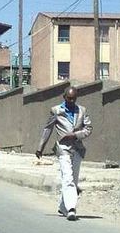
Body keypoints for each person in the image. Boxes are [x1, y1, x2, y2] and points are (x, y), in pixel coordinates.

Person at [35, 86, 92, 221]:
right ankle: (71, 208)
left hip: (77, 148)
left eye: (74, 99)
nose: (71, 101)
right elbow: (47, 129)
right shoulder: (56, 111)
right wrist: (40, 148)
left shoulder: (82, 110)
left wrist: (75, 135)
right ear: (64, 97)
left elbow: (88, 128)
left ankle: (63, 206)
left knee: (74, 178)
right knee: (67, 177)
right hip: (63, 149)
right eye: (69, 98)